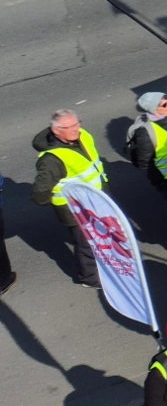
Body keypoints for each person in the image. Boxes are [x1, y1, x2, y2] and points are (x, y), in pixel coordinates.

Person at [32, 107, 107, 287]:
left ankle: (104, 265)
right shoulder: (51, 159)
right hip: (76, 209)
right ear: (56, 131)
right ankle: (90, 278)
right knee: (85, 243)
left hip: (96, 199)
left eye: (76, 124)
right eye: (69, 127)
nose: (76, 129)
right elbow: (40, 193)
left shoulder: (83, 136)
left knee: (98, 236)